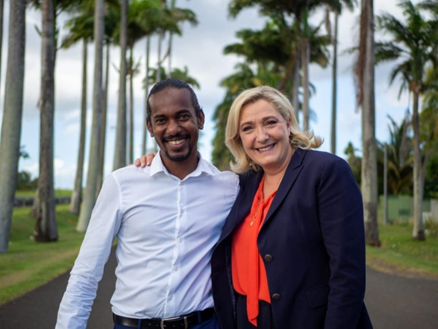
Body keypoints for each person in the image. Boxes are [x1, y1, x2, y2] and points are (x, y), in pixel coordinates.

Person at [137, 86, 372, 329]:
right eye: (248, 128)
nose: (261, 136)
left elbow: (348, 275)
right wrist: (158, 162)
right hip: (246, 321)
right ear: (238, 138)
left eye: (269, 122)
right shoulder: (242, 183)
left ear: (288, 123)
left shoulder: (326, 172)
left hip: (307, 319)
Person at [55, 78, 239, 329]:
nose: (173, 128)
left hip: (205, 324)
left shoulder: (228, 187)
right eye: (161, 120)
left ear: (201, 119)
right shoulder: (122, 183)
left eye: (183, 116)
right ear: (150, 127)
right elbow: (86, 272)